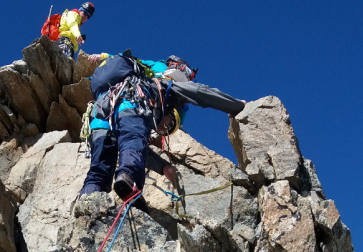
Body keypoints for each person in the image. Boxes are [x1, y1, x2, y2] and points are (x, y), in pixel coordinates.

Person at [79, 52, 245, 204]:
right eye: (170, 124)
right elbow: (200, 91)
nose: (164, 128)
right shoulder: (166, 85)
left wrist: (163, 167)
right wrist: (236, 106)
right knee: (132, 141)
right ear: (172, 112)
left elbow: (141, 149)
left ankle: (88, 199)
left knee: (100, 165)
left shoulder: (143, 71)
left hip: (100, 113)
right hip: (131, 103)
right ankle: (131, 180)